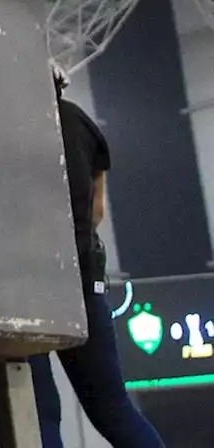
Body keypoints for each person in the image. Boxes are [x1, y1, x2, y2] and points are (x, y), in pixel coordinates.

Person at [29, 72, 166, 448]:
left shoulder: (9, 126)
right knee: (112, 407)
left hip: (26, 283)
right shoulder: (82, 124)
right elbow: (96, 211)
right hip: (83, 280)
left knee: (41, 412)